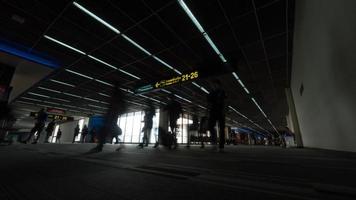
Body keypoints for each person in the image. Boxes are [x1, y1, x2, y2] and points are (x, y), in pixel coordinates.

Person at [90, 83, 126, 152]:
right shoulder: (117, 94)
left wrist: (112, 112)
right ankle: (101, 146)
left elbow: (119, 105)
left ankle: (100, 146)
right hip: (112, 116)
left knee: (106, 130)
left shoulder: (117, 94)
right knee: (110, 131)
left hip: (112, 115)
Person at [207, 79, 226, 152]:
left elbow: (225, 102)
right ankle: (214, 142)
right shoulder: (211, 93)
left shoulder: (222, 92)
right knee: (210, 126)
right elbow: (208, 103)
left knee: (221, 129)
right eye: (213, 85)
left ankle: (221, 146)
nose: (214, 86)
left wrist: (224, 110)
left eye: (215, 84)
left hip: (220, 112)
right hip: (213, 112)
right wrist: (207, 112)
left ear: (219, 85)